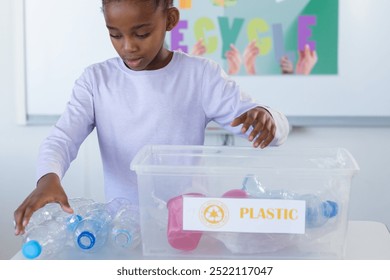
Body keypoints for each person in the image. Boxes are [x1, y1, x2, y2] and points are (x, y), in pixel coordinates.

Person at [14, 0, 289, 235]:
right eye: (115, 35)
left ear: (170, 20)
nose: (128, 47)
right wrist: (48, 177)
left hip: (191, 224)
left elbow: (269, 127)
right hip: (126, 226)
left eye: (141, 33)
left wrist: (267, 118)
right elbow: (62, 138)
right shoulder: (96, 81)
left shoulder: (201, 76)